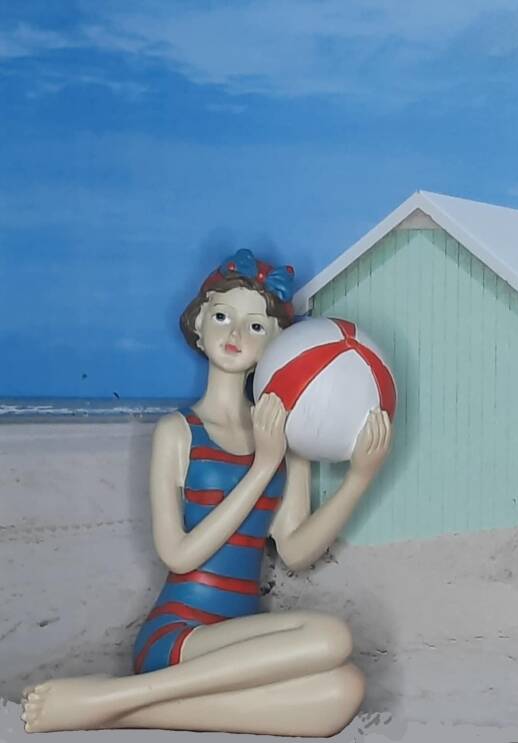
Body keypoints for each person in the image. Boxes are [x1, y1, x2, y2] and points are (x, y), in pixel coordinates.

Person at [20, 249, 393, 736]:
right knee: (332, 635)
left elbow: (296, 551)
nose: (236, 334)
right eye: (222, 317)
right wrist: (262, 466)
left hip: (243, 650)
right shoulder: (178, 432)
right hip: (179, 636)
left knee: (343, 689)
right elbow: (179, 555)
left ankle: (114, 704)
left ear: (278, 345)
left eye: (255, 326)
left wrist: (360, 477)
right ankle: (124, 695)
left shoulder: (288, 440)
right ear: (199, 324)